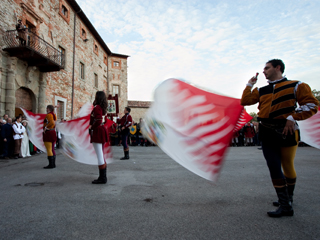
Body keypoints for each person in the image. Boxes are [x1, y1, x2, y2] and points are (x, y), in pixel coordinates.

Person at [241, 59, 319, 218]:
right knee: (274, 166)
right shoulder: (262, 90)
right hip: (266, 131)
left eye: (267, 68)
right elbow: (245, 101)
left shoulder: (297, 85)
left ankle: (288, 199)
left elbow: (312, 105)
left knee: (287, 165)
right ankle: (285, 204)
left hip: (286, 130)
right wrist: (249, 85)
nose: (264, 71)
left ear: (278, 67)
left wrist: (293, 117)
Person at [89, 91, 109, 184]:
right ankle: (103, 177)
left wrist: (91, 126)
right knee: (101, 154)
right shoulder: (102, 108)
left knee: (100, 155)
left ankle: (102, 178)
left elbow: (98, 120)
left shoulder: (97, 107)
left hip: (97, 131)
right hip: (101, 130)